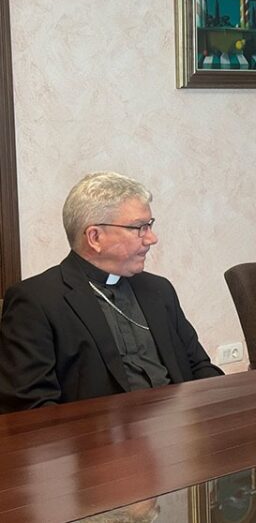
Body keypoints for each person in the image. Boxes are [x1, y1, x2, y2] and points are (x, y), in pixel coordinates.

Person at [0, 172, 222, 413]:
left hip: (176, 435)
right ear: (95, 237)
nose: (152, 238)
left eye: (150, 225)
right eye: (140, 227)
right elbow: (32, 410)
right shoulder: (37, 302)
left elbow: (199, 367)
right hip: (97, 445)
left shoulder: (159, 290)